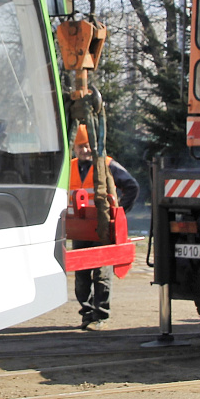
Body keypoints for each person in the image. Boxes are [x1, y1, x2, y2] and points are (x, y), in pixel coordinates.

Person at [69, 124, 139, 330]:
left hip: (102, 227)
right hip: (79, 228)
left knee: (101, 272)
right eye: (80, 146)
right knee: (81, 274)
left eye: (88, 146)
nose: (85, 150)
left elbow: (132, 186)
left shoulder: (107, 164)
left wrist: (118, 214)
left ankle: (100, 315)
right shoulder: (70, 167)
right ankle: (87, 313)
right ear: (74, 148)